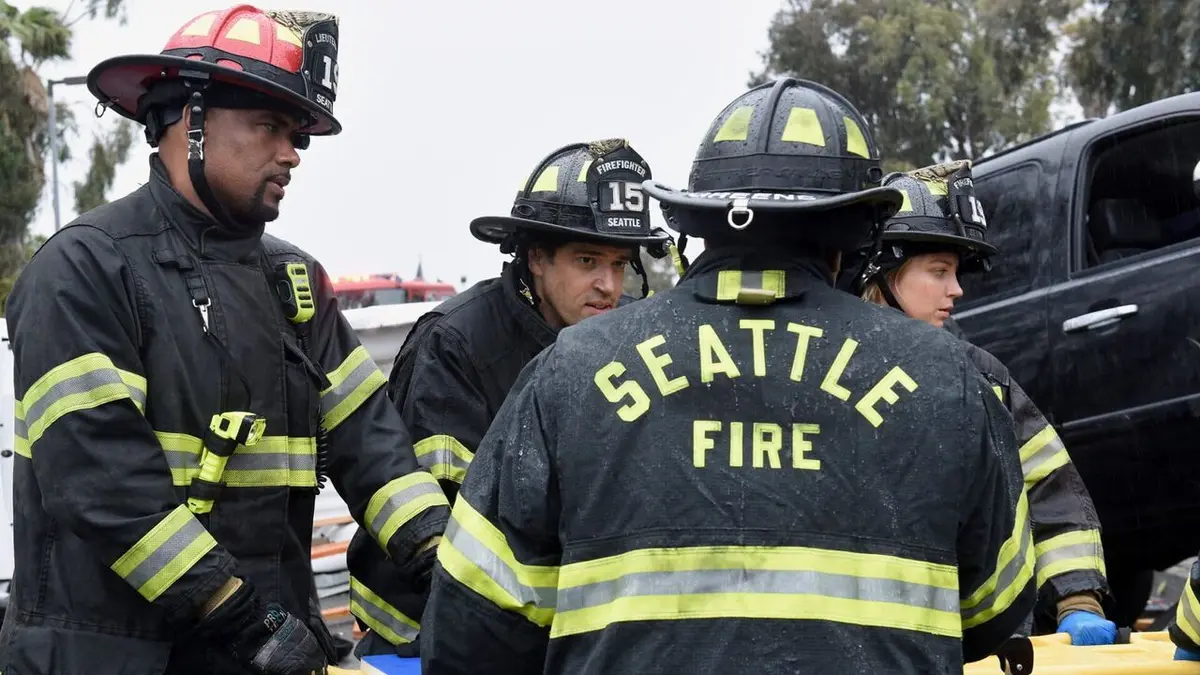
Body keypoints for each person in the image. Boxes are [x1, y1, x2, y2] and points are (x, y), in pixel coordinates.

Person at [419, 78, 1036, 675]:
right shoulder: (947, 377)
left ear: (698, 223)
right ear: (854, 233)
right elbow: (996, 606)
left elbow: (474, 623)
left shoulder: (571, 370)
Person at [0, 7, 449, 674]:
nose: (291, 153)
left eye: (297, 135)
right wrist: (246, 618)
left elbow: (378, 453)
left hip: (263, 649)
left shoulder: (296, 284)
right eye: (269, 126)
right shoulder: (86, 268)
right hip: (116, 657)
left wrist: (451, 570)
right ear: (191, 120)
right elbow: (105, 483)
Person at [345, 139, 676, 657]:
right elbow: (442, 526)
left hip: (555, 630)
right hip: (422, 632)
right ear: (537, 257)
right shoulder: (457, 343)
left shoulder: (629, 338)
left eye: (619, 264)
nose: (608, 286)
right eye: (587, 260)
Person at [845, 160, 1116, 646]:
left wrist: (1078, 602)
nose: (957, 289)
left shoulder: (980, 378)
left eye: (955, 272)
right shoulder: (826, 371)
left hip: (974, 644)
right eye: (939, 271)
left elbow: (1049, 487)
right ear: (879, 271)